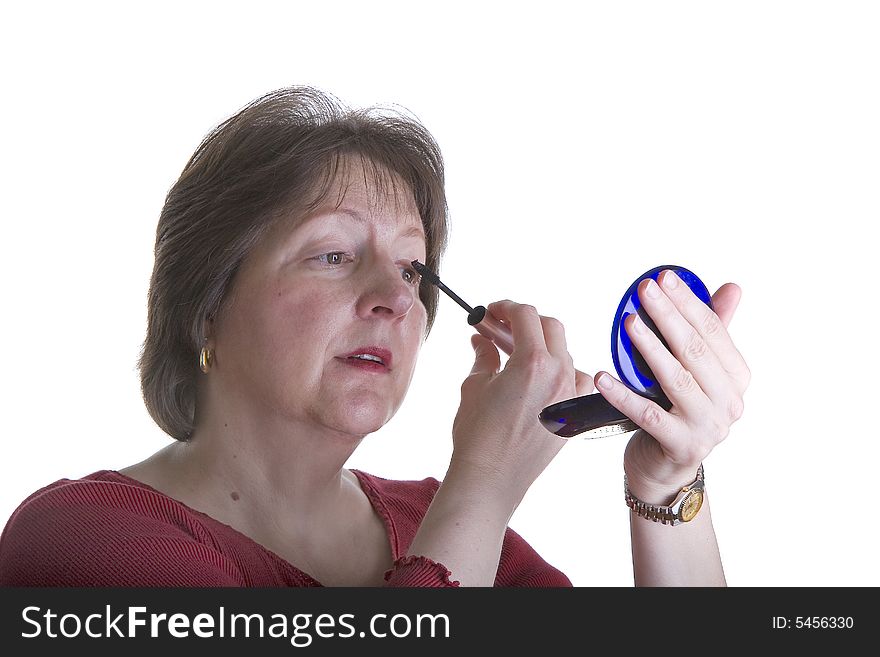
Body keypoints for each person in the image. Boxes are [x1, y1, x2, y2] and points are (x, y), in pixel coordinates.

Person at [0, 86, 749, 587]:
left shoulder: (435, 521)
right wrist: (484, 486)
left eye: (413, 268)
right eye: (333, 255)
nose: (394, 297)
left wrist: (666, 485)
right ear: (205, 307)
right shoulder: (80, 540)